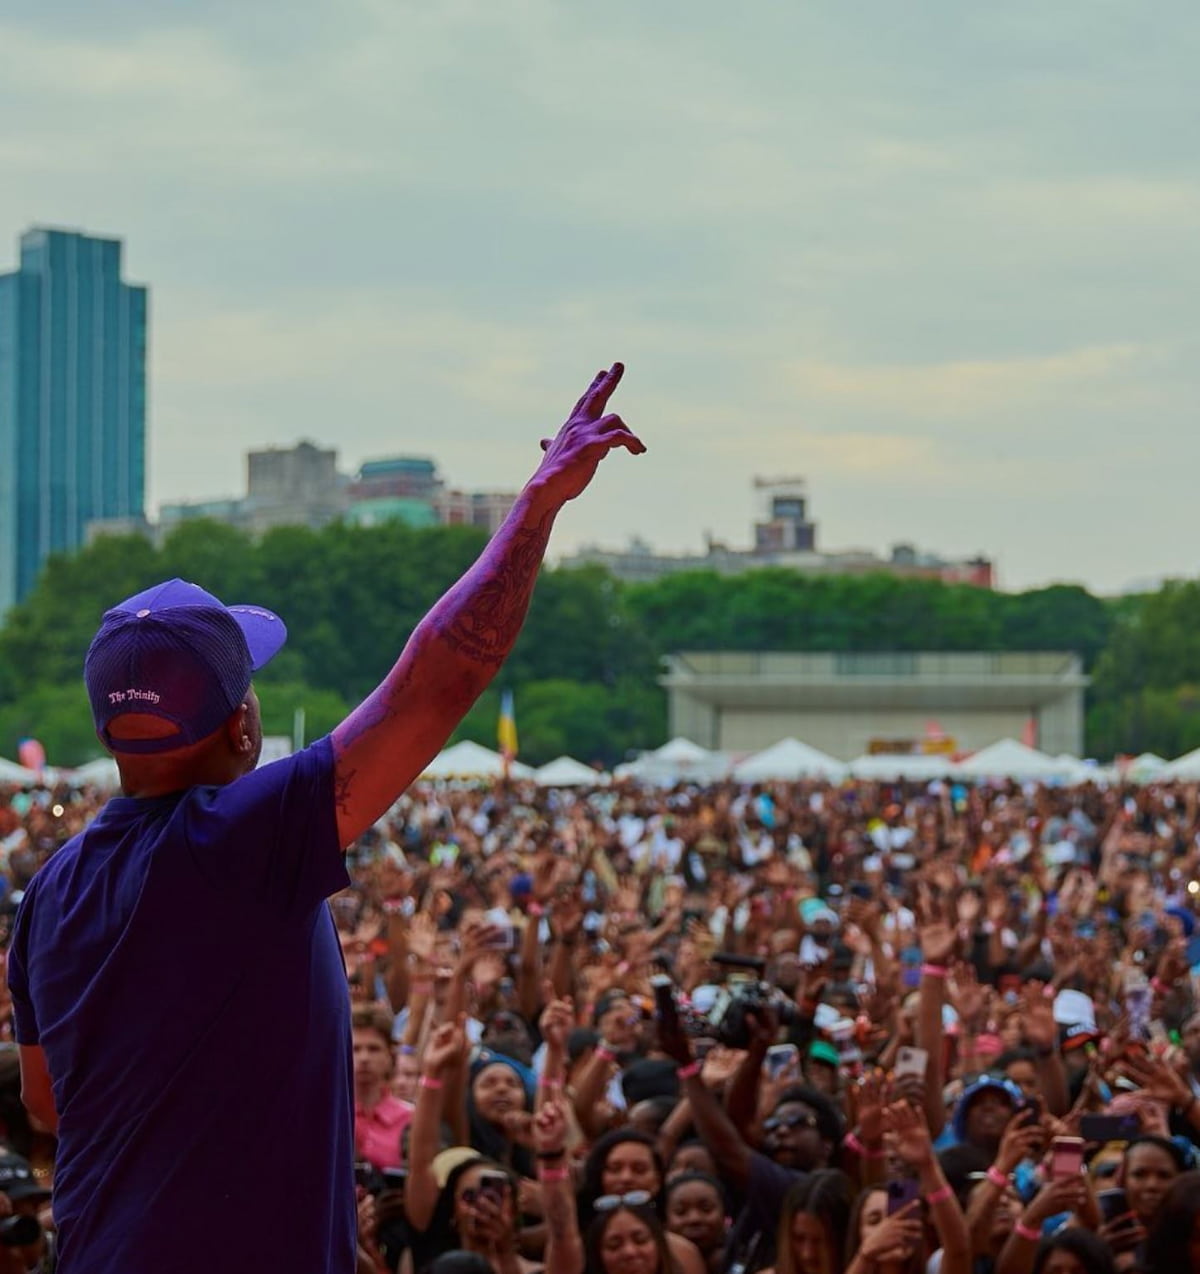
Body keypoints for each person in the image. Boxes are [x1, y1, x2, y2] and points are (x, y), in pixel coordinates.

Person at [4, 364, 643, 1273]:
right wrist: (532, 512)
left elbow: (48, 1104)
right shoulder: (236, 841)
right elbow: (433, 686)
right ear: (245, 726)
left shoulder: (48, 894)